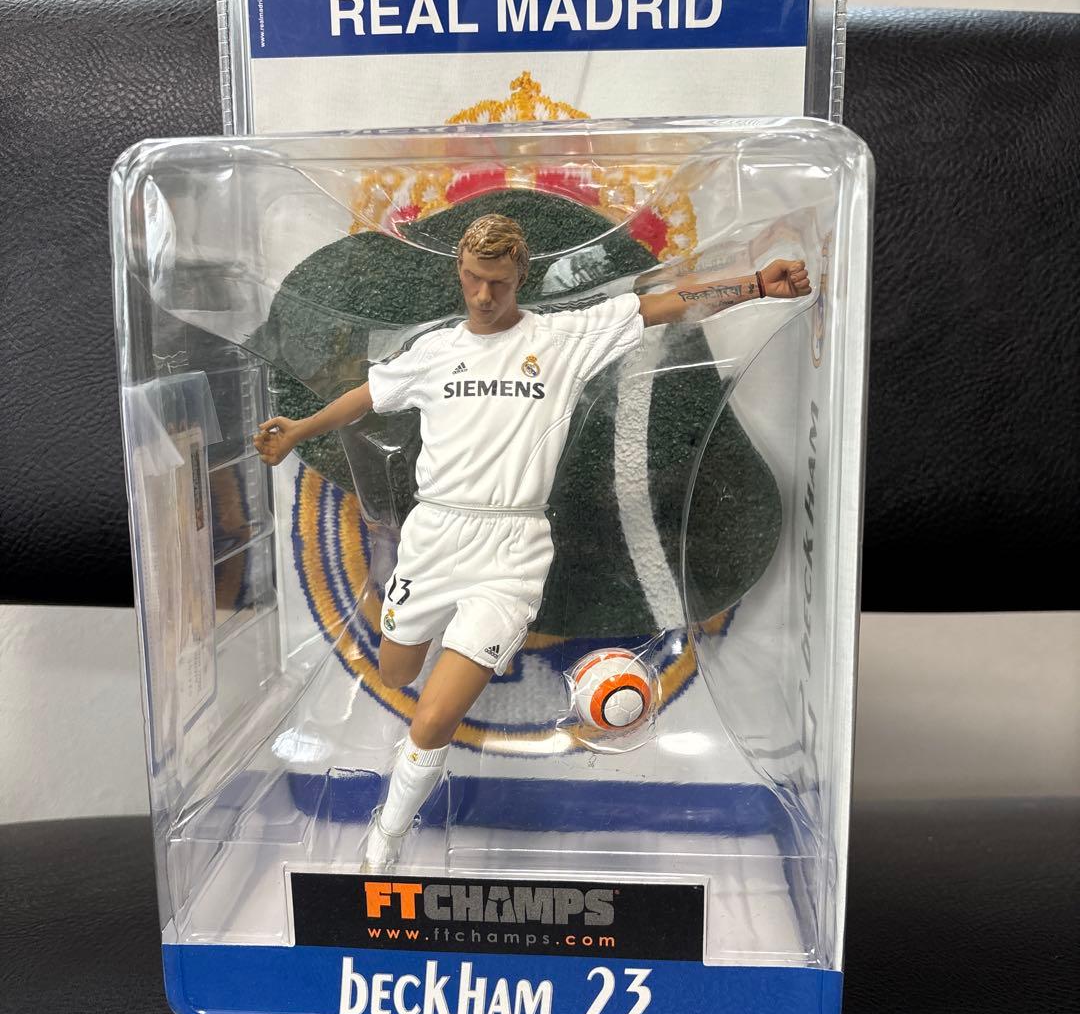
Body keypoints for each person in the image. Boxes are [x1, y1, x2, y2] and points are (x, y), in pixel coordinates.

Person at [254, 213, 810, 867]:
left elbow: (662, 305)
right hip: (433, 537)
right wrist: (299, 430)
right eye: (472, 278)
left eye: (496, 281)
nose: (483, 294)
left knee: (433, 719)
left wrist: (755, 285)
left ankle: (386, 837)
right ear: (459, 272)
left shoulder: (563, 336)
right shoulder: (433, 351)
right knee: (396, 671)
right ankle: (422, 633)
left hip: (511, 549)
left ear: (520, 275)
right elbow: (368, 396)